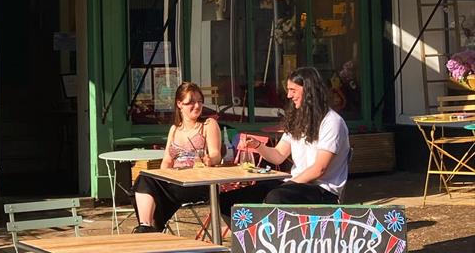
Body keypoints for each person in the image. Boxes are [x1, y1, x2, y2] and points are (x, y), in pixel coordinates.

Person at [220, 67, 351, 215]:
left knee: (275, 197)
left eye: (293, 90)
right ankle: (248, 237)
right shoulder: (298, 120)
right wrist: (258, 145)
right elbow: (278, 155)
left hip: (323, 190)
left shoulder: (332, 122)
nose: (289, 95)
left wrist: (287, 184)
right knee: (229, 200)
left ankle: (270, 235)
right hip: (296, 184)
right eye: (288, 90)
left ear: (308, 90)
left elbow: (319, 169)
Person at [131, 82, 223, 233]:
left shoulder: (208, 124)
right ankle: (146, 226)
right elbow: (167, 159)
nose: (197, 106)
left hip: (197, 183)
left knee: (147, 185)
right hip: (175, 182)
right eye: (191, 102)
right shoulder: (174, 129)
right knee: (145, 179)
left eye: (200, 101)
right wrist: (163, 175)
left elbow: (216, 155)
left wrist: (209, 160)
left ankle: (151, 228)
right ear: (179, 104)